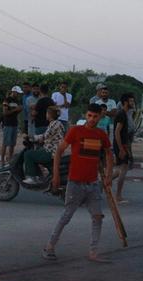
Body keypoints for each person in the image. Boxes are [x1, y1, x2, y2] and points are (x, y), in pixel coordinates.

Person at [42, 103, 113, 262]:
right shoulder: (75, 131)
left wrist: (108, 175)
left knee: (97, 217)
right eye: (89, 116)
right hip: (75, 183)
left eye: (95, 116)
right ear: (85, 115)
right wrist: (55, 175)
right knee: (66, 216)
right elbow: (60, 150)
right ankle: (49, 247)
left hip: (93, 184)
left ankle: (93, 253)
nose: (92, 119)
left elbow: (109, 154)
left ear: (100, 117)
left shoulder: (101, 134)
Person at [23, 106, 64, 184]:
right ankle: (39, 176)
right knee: (35, 152)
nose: (46, 115)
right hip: (52, 149)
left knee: (28, 154)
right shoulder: (56, 123)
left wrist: (31, 137)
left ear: (50, 114)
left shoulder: (55, 124)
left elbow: (45, 136)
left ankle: (32, 177)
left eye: (47, 113)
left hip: (51, 152)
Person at [113, 93, 134, 203]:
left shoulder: (125, 114)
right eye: (131, 101)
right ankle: (118, 196)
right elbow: (117, 132)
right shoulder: (121, 114)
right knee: (123, 169)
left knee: (119, 170)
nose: (133, 103)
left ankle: (101, 185)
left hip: (123, 144)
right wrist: (121, 148)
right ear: (125, 102)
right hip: (120, 145)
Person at [0, 86, 23, 166]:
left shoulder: (17, 100)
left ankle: (10, 158)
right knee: (5, 143)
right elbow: (5, 113)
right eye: (18, 93)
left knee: (13, 143)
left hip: (14, 123)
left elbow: (18, 110)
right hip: (8, 123)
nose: (19, 95)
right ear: (14, 92)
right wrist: (15, 110)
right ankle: (2, 160)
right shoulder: (7, 100)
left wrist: (19, 110)